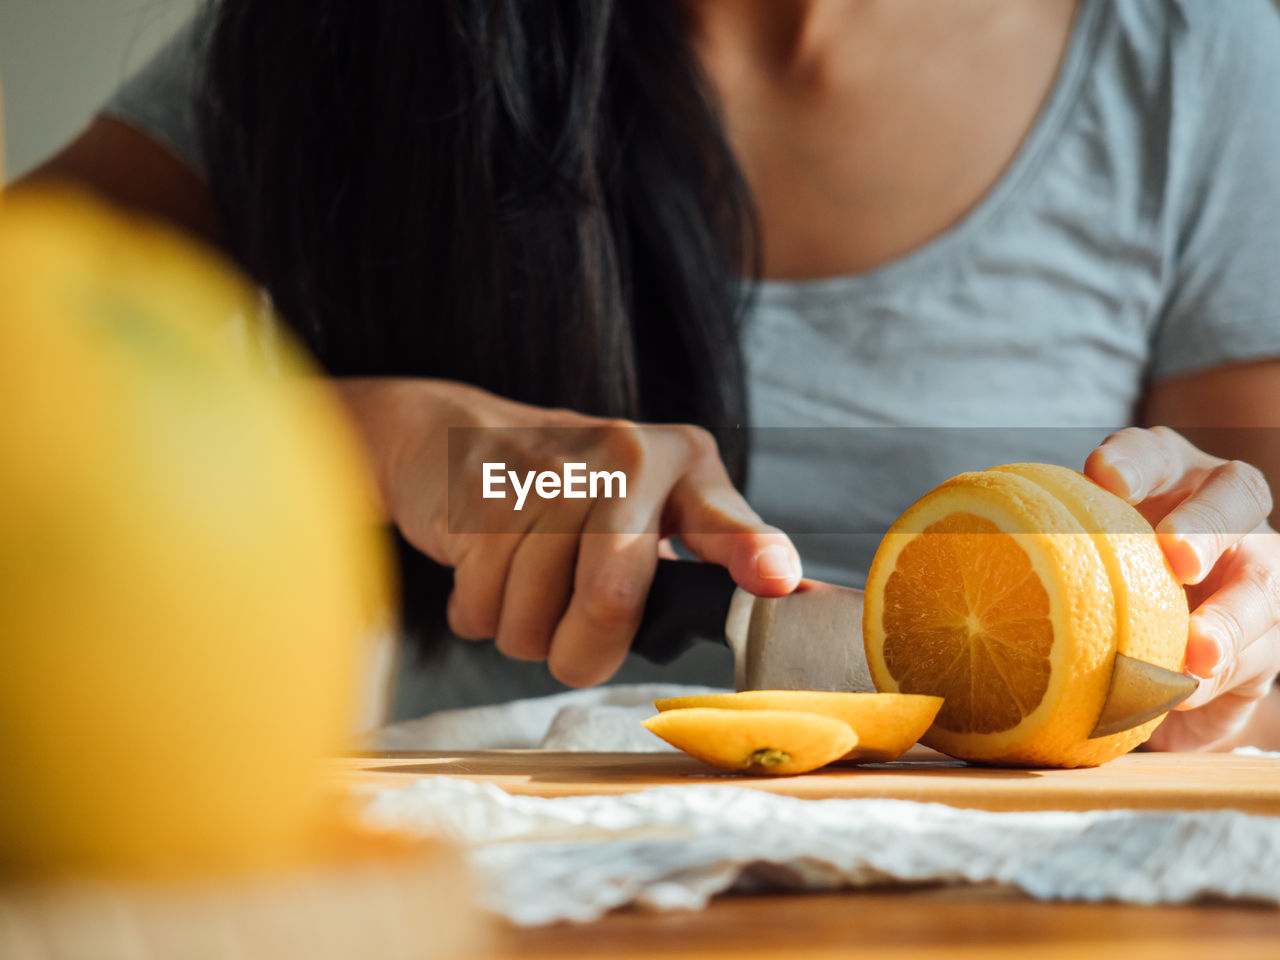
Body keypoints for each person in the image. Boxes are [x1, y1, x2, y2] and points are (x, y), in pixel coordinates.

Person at [17, 0, 1280, 751]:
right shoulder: (352, 37)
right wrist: (395, 441)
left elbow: (1250, 623)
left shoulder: (1189, 61)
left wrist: (1230, 626)